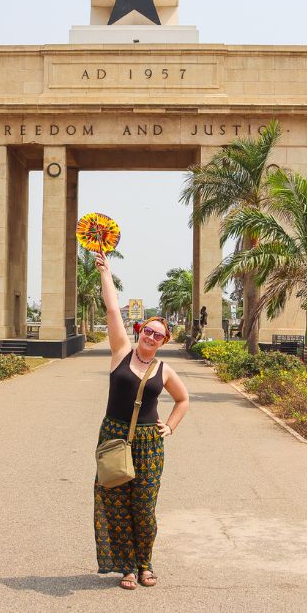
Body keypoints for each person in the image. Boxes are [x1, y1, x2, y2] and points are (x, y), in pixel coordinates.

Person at [93, 251, 189, 590]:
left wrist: (170, 425)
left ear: (164, 342)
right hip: (114, 437)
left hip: (149, 443)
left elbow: (183, 399)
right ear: (140, 330)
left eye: (158, 335)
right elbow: (110, 309)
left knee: (144, 507)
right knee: (116, 505)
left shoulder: (165, 370)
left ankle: (146, 564)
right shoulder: (120, 351)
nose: (150, 337)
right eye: (148, 331)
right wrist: (106, 271)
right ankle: (128, 569)